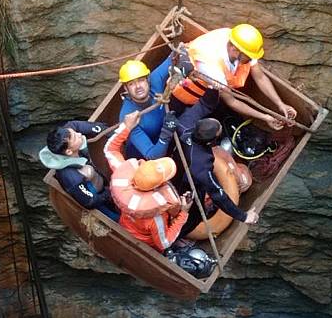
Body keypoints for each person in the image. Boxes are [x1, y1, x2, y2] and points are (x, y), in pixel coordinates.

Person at [171, 24, 297, 130]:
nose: (251, 60)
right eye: (249, 57)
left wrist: (281, 104)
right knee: (182, 123)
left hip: (213, 91)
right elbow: (232, 101)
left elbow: (260, 77)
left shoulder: (237, 40)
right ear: (234, 50)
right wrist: (265, 118)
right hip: (183, 94)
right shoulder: (212, 67)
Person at [174, 88, 259, 238]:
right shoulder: (202, 166)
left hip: (174, 171)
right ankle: (179, 235)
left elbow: (203, 105)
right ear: (211, 143)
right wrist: (244, 217)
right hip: (186, 187)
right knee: (193, 218)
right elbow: (218, 194)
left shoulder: (185, 126)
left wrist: (214, 88)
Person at [105, 111, 193, 253]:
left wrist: (126, 127)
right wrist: (183, 213)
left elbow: (110, 149)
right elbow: (164, 243)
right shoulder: (155, 217)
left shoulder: (121, 173)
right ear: (158, 185)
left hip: (125, 224)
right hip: (147, 243)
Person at [40, 120, 119, 221]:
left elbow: (75, 125)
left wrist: (104, 130)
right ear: (69, 151)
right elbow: (90, 201)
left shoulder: (66, 136)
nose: (79, 134)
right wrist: (108, 193)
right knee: (115, 217)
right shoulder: (72, 178)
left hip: (99, 183)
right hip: (98, 198)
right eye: (75, 137)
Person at [118, 57, 178, 159]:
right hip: (142, 157)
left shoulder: (155, 81)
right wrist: (167, 132)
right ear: (126, 88)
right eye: (131, 84)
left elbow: (174, 58)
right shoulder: (129, 117)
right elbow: (152, 155)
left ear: (148, 80)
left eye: (141, 80)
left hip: (165, 138)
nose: (138, 86)